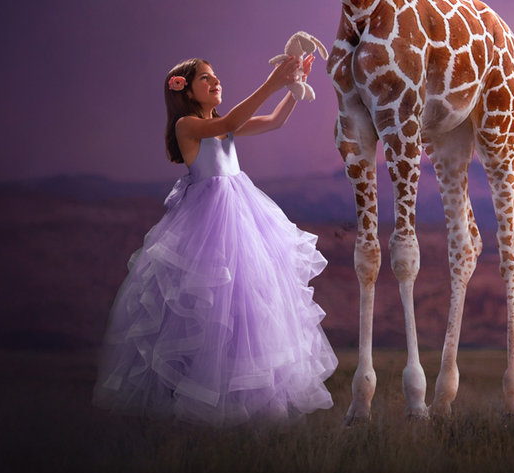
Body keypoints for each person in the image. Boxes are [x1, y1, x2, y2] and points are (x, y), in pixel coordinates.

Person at [93, 53, 337, 426]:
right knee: (207, 307)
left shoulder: (222, 127)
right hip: (210, 224)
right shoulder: (187, 126)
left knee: (247, 305)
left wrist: (294, 88)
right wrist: (271, 82)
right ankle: (195, 403)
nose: (215, 82)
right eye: (205, 79)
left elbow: (274, 121)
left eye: (214, 76)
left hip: (242, 215)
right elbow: (230, 121)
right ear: (187, 92)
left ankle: (240, 405)